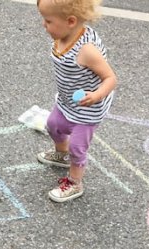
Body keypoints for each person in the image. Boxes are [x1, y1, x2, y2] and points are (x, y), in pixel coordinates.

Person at [36, 0, 117, 203]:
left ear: (71, 21)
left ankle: (74, 182)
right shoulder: (63, 35)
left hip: (88, 109)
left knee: (77, 147)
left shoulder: (86, 51)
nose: (43, 25)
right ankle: (61, 155)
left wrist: (96, 95)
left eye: (48, 21)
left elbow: (111, 78)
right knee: (53, 126)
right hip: (66, 101)